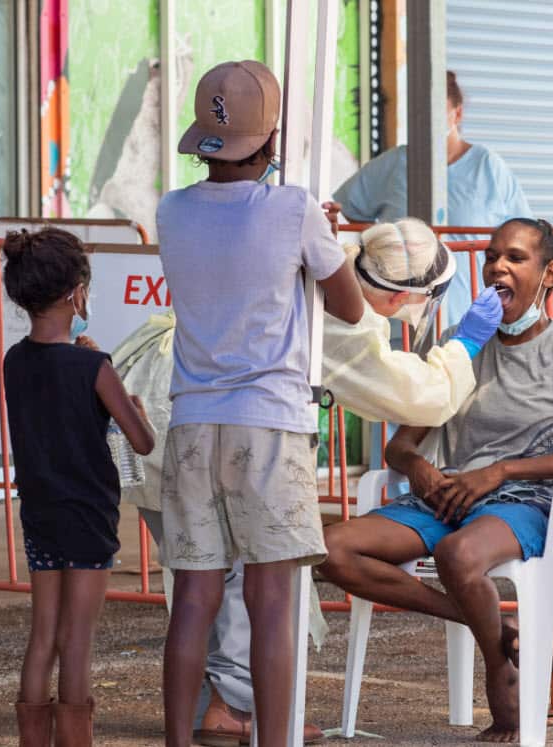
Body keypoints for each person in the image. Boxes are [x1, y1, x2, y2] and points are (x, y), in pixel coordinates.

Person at [114, 216, 503, 745]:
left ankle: (209, 710)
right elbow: (419, 396)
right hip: (215, 428)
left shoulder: (328, 252)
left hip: (165, 408)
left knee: (199, 578)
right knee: (237, 577)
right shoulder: (343, 320)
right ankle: (238, 707)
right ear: (399, 299)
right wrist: (465, 346)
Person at [319, 218, 553, 743]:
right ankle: (496, 631)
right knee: (328, 548)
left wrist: (501, 471)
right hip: (450, 497)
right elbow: (400, 441)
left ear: (549, 274)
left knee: (458, 556)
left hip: (524, 501)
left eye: (516, 258)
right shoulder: (466, 344)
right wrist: (418, 467)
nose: (497, 267)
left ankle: (497, 669)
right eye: (491, 257)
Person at [156, 60, 365, 747]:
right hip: (269, 425)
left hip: (191, 423)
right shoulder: (294, 209)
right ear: (271, 139)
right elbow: (349, 304)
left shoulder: (171, 210)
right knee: (271, 603)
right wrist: (318, 237)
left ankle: (177, 740)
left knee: (193, 599)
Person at [3, 227, 156, 747]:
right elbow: (142, 442)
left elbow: (53, 398)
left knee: (43, 633)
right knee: (78, 641)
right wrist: (129, 399)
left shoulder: (14, 359)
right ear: (77, 294)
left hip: (40, 513)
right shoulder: (94, 365)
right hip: (89, 516)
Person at [333, 70, 534, 326]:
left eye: (437, 110)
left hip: (469, 326)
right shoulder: (393, 165)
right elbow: (349, 210)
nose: (427, 119)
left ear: (457, 113)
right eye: (419, 111)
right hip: (399, 325)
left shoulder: (488, 168)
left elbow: (525, 240)